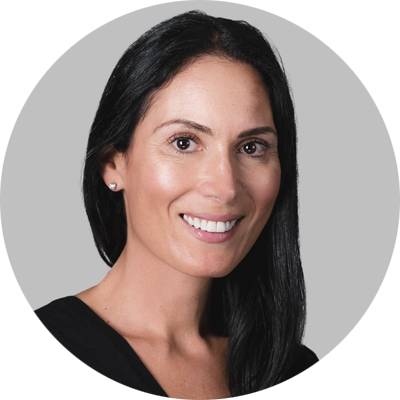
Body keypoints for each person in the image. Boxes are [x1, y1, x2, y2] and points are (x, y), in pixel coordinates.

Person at [35, 10, 318, 399]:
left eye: (252, 147)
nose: (225, 187)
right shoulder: (32, 356)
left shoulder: (295, 371)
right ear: (113, 164)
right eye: (184, 142)